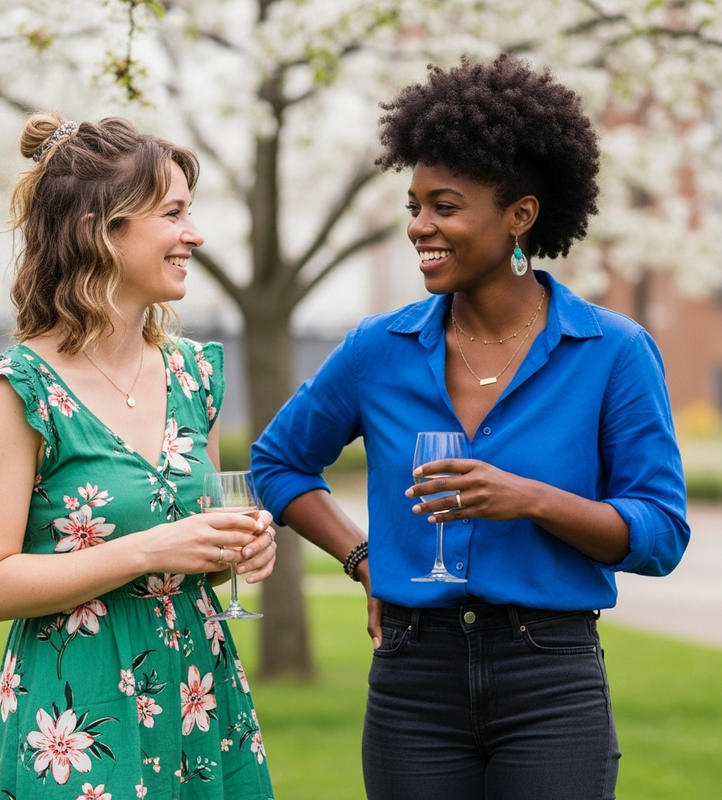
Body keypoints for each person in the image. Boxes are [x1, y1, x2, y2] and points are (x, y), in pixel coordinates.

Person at [251, 54, 689, 800]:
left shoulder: (612, 353)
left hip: (549, 675)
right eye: (414, 205)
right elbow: (278, 465)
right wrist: (363, 558)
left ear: (519, 216)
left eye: (445, 206)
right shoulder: (376, 351)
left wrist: (530, 499)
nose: (420, 226)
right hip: (411, 679)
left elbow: (658, 533)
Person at [0, 113, 276, 799]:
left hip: (198, 693)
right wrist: (152, 548)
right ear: (103, 227)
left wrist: (233, 551)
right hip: (76, 707)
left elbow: (196, 556)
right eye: (174, 213)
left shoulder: (196, 375)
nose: (196, 234)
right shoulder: (14, 389)